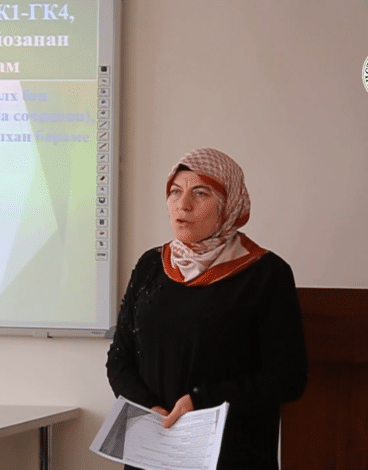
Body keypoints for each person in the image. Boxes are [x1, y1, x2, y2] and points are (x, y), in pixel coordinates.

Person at [106, 148, 308, 469]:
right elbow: (120, 359)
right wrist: (150, 409)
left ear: (228, 205)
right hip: (154, 449)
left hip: (232, 454)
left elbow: (287, 378)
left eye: (201, 193)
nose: (183, 205)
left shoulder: (266, 274)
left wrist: (201, 401)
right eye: (175, 191)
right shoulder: (150, 265)